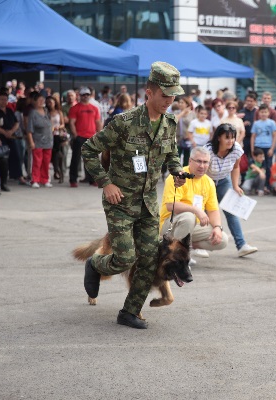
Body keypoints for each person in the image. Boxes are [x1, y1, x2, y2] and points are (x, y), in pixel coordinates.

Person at [81, 61, 188, 330]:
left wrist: (176, 169)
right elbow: (89, 149)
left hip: (148, 205)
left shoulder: (170, 123)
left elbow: (172, 153)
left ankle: (130, 311)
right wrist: (106, 183)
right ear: (149, 92)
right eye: (165, 94)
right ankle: (96, 264)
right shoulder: (124, 123)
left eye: (173, 94)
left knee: (150, 260)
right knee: (125, 259)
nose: (170, 100)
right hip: (120, 203)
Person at [159, 146, 228, 263]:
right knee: (189, 217)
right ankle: (176, 257)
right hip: (170, 225)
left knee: (222, 240)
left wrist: (217, 227)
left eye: (205, 162)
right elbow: (171, 205)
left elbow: (213, 210)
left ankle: (186, 247)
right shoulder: (177, 176)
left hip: (192, 225)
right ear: (190, 161)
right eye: (199, 161)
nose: (202, 165)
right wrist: (197, 210)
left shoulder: (208, 182)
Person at [205, 124, 258, 256]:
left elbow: (235, 167)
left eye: (233, 137)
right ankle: (200, 246)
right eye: (227, 137)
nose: (231, 141)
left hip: (224, 180)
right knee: (204, 213)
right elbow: (200, 170)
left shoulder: (236, 149)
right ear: (218, 138)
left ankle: (241, 245)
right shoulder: (208, 150)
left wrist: (235, 185)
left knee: (230, 211)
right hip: (206, 181)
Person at [69, 87, 102, 187]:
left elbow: (98, 122)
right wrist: (75, 134)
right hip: (80, 136)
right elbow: (72, 122)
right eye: (84, 95)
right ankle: (73, 179)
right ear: (80, 96)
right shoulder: (75, 108)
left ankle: (92, 179)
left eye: (87, 94)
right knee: (76, 159)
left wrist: (99, 135)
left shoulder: (94, 108)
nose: (86, 96)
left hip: (91, 137)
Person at [0, 89, 20, 191]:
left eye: (5, 99)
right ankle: (1, 181)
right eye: (1, 99)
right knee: (3, 158)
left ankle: (16, 175)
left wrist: (11, 131)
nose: (3, 101)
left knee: (16, 155)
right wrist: (4, 132)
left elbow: (17, 123)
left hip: (11, 136)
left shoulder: (9, 111)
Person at [27, 93, 53, 188]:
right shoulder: (33, 113)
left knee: (46, 162)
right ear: (35, 101)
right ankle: (35, 179)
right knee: (37, 162)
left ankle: (45, 179)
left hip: (48, 140)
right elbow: (29, 130)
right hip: (37, 141)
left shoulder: (46, 111)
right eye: (39, 100)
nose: (42, 102)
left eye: (43, 100)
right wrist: (31, 142)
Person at [251, 104, 276, 190]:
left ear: (268, 113)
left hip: (268, 147)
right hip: (258, 146)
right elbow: (253, 136)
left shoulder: (272, 123)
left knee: (268, 167)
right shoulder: (256, 123)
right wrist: (252, 149)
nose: (263, 114)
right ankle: (258, 186)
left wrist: (272, 148)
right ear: (259, 113)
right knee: (258, 166)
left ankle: (267, 185)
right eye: (262, 112)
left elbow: (274, 136)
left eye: (265, 112)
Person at [46, 96, 67, 183]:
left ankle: (58, 171)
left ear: (55, 103)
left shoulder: (59, 112)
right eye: (48, 102)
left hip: (57, 135)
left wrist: (58, 127)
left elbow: (63, 124)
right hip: (48, 135)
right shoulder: (46, 112)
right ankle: (55, 171)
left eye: (51, 102)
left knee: (58, 155)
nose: (49, 104)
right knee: (50, 154)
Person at [175, 96, 196, 166]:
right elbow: (175, 120)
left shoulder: (192, 114)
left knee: (187, 159)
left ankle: (185, 174)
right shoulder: (176, 113)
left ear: (187, 104)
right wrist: (183, 112)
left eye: (182, 103)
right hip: (178, 139)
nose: (180, 104)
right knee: (176, 158)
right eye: (179, 102)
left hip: (188, 140)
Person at [239, 93, 258, 160]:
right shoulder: (241, 112)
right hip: (245, 138)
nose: (249, 103)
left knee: (255, 156)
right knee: (244, 156)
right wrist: (243, 124)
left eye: (251, 101)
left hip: (255, 138)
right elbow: (238, 125)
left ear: (255, 102)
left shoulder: (257, 112)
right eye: (248, 101)